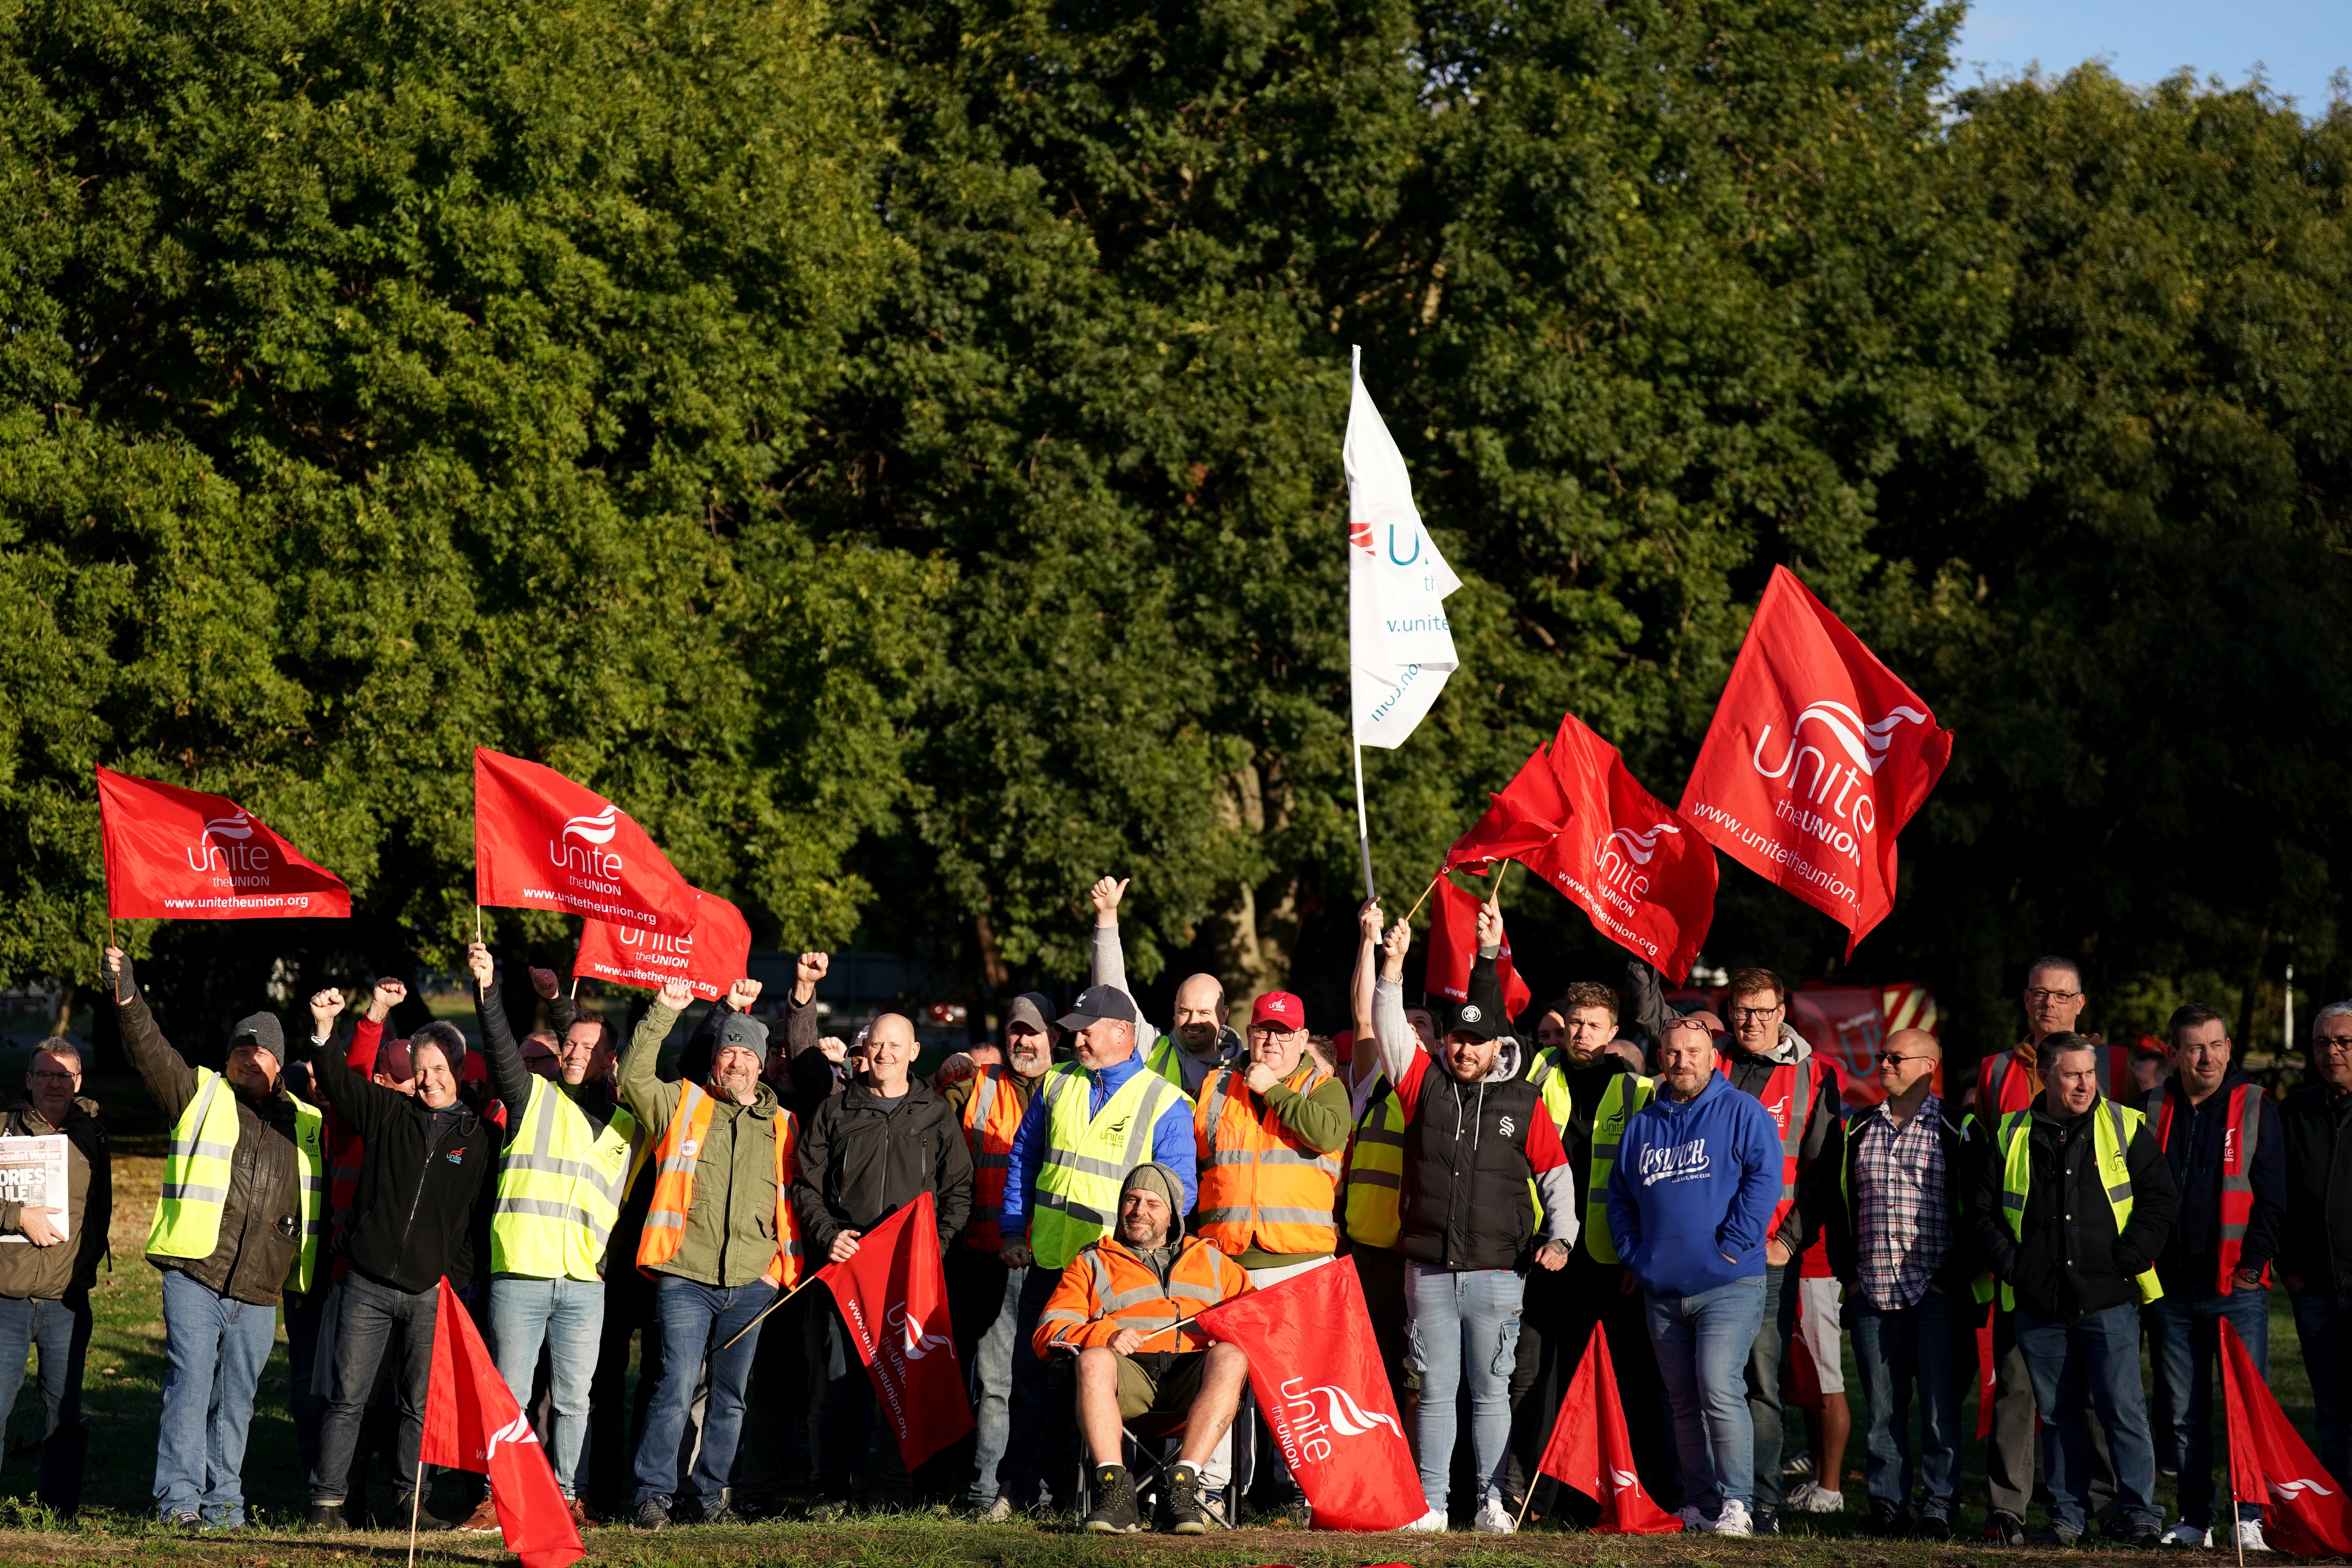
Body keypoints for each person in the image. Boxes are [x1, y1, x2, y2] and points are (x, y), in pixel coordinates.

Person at [1370, 906, 1577, 1535]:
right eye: (1456, 1039)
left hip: (1499, 1272)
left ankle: (1492, 1503)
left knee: (1491, 1393)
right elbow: (1387, 1028)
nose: (1463, 1049)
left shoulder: (1522, 1099)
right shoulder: (1421, 1085)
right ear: (1445, 1042)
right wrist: (1394, 966)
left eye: (1476, 1041)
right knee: (1434, 1391)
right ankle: (1432, 1505)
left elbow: (1557, 1175)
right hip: (1430, 1269)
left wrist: (1562, 1237)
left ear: (1496, 1047)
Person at [107, 946, 325, 1531]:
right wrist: (128, 995)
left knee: (238, 1400)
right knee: (190, 1382)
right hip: (196, 1272)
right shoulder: (198, 1095)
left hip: (260, 1287)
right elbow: (151, 1052)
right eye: (238, 1052)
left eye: (259, 1054)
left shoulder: (307, 1122)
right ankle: (179, 1502)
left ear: (280, 1063)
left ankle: (224, 1504)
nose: (247, 1061)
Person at [459, 944, 640, 1535]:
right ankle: (500, 1496)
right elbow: (502, 1050)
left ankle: (568, 1497)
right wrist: (487, 990)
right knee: (509, 1397)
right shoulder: (531, 1097)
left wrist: (566, 1004)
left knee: (574, 1401)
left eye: (589, 1049)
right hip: (522, 1276)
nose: (573, 1053)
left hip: (585, 1285)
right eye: (569, 1045)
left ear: (609, 1061)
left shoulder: (626, 1127)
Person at [996, 982, 1197, 1512]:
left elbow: (1180, 1193)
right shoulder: (1057, 1082)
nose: (1076, 1041)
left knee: (1099, 1389)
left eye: (1086, 1032)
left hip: (1117, 1278)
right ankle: (1018, 1490)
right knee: (1031, 1381)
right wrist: (1014, 1231)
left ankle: (1084, 1497)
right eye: (1074, 1032)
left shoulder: (1165, 1101)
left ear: (1122, 1033)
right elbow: (1024, 1159)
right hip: (1050, 1261)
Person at [1971, 1032, 2176, 1548]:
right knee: (2058, 1416)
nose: (2087, 1084)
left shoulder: (2127, 1126)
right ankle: (2066, 1518)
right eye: (2073, 1074)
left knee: (2122, 1408)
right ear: (2045, 1076)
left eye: (2091, 1073)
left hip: (2109, 1298)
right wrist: (2016, 1267)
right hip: (2040, 1302)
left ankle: (2141, 1513)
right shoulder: (2012, 1133)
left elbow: (2158, 1201)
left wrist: (2129, 1258)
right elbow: (1981, 1213)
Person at [305, 989, 498, 1532]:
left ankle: (410, 1504)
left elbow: (474, 1220)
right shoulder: (389, 1112)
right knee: (349, 1400)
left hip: (430, 1292)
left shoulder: (480, 1136)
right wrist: (326, 1027)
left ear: (458, 1069)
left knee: (419, 1407)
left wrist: (452, 1280)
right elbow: (339, 1082)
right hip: (366, 1284)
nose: (430, 1079)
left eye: (439, 1068)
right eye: (421, 1070)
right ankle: (326, 1505)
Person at [620, 977, 803, 1530]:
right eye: (730, 1050)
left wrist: (774, 1273)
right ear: (717, 1058)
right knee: (674, 1387)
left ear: (762, 1064)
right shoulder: (682, 1103)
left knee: (730, 1398)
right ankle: (652, 1494)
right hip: (685, 1275)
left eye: (749, 1052)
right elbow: (631, 1077)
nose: (738, 1061)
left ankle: (711, 1496)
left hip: (753, 1282)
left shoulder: (784, 1123)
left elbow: (790, 1203)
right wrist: (663, 1013)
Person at [1972, 955, 2134, 1544]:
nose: (2049, 1004)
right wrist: (2007, 1261)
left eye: (2062, 995)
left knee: (2097, 1389)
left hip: (2097, 1270)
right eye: (2040, 994)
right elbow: (1988, 1176)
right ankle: (2008, 1507)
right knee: (2016, 1388)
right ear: (2025, 1000)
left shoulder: (2114, 1066)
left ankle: (2105, 1502)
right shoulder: (1994, 1072)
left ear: (2081, 1003)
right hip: (2025, 1271)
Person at [1509, 974, 1679, 1521]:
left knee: (1614, 1378)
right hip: (1543, 1253)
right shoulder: (1536, 1074)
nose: (1581, 1033)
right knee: (1534, 1376)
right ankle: (1533, 1494)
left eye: (1593, 1025)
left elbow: (1648, 1180)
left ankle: (1609, 1491)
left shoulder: (1635, 1090)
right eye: (1574, 1023)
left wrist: (1640, 1255)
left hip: (1611, 1262)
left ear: (1612, 1032)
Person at [1608, 1011, 1783, 1539]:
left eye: (1693, 1052)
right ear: (1661, 1058)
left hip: (1729, 1283)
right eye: (1673, 1053)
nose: (1681, 1061)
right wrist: (1637, 1257)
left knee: (1718, 1387)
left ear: (1713, 1058)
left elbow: (1764, 1180)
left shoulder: (1742, 1112)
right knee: (1684, 1399)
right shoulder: (1645, 1121)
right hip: (1661, 1288)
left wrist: (1732, 1248)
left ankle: (1738, 1504)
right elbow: (1620, 1198)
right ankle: (1702, 1504)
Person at [792, 1010, 974, 1511]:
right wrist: (829, 1235)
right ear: (864, 1051)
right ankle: (832, 1491)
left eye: (896, 1045)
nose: (885, 1054)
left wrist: (933, 1248)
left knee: (908, 1381)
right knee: (840, 1387)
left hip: (909, 1276)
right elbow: (807, 1185)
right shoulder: (835, 1110)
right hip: (849, 1270)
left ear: (915, 1052)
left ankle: (902, 1490)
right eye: (876, 1045)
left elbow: (959, 1190)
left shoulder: (935, 1114)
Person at [1193, 985, 1352, 1514]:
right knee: (1222, 1380)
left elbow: (1326, 1134)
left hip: (1301, 1265)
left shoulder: (1324, 1087)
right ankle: (1212, 1491)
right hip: (1228, 1263)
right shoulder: (1217, 1086)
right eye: (1264, 1030)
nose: (1273, 1041)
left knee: (1302, 1387)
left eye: (1285, 1033)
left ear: (1303, 1039)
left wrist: (1272, 1092)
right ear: (1251, 1031)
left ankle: (1301, 1493)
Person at [1700, 965, 1846, 1534]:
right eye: (1742, 1010)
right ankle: (1709, 1495)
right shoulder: (1711, 1062)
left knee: (1762, 1380)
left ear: (1783, 1012)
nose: (1753, 1021)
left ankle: (1762, 1505)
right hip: (1701, 1252)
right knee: (1705, 1381)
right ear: (1729, 1011)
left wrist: (1789, 1241)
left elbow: (1821, 1175)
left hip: (1766, 1257)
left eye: (1764, 1010)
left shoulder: (1817, 1075)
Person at [1036, 1163, 1253, 1535]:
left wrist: (1231, 1335)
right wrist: (1103, 1335)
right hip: (1129, 1378)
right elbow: (1048, 1332)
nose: (1139, 1211)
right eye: (1132, 1200)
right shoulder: (1092, 1261)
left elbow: (1259, 1321)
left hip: (1193, 1380)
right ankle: (1114, 1493)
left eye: (1153, 1204)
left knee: (1232, 1357)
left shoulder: (1214, 1262)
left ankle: (1181, 1489)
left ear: (1172, 1216)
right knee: (1092, 1360)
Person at [2139, 1004, 2284, 1549]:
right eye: (2196, 1047)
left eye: (2217, 1044)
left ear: (2229, 1048)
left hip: (2236, 1287)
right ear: (2174, 1054)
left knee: (2246, 1409)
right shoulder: (2152, 1106)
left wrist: (2252, 1269)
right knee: (2183, 1412)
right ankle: (2195, 1517)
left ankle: (2250, 1516)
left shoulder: (2254, 1105)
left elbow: (2273, 1197)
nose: (2208, 1057)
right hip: (2172, 1290)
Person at [1835, 1028, 1975, 1539]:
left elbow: (1975, 1208)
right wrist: (1850, 1279)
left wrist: (1951, 1279)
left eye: (1896, 1058)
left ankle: (1938, 1508)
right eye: (1882, 1056)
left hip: (1934, 1293)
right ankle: (1887, 1508)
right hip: (1873, 1291)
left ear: (1929, 1067)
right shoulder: (1858, 1127)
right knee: (1882, 1413)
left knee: (1940, 1412)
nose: (1885, 1064)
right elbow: (1838, 1204)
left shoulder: (1956, 1127)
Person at [940, 993, 1055, 1519]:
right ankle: (987, 1490)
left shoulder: (1071, 1088)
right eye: (1016, 1031)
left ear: (1054, 1036)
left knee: (1046, 1381)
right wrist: (948, 1075)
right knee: (993, 1382)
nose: (1023, 1041)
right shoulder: (977, 1084)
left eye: (1033, 1032)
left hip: (1051, 1259)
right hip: (983, 1256)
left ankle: (1038, 1488)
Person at [0, 1040, 110, 1516]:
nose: (53, 1083)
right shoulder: (4, 1129)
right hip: (5, 1298)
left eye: (64, 1076)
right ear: (28, 1079)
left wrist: (83, 1273)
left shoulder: (93, 1136)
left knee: (65, 1414)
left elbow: (101, 1212)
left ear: (78, 1083)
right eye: (44, 1074)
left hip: (66, 1301)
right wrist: (15, 1215)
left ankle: (59, 1511)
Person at [2281, 1001, 2352, 1485]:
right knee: (2330, 1411)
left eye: (2344, 1041)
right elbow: (2274, 1192)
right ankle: (2340, 1519)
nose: (2333, 1052)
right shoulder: (2295, 1111)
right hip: (2316, 1290)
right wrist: (2291, 1270)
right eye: (2323, 1042)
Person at [1088, 877, 1241, 1093]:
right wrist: (1106, 916)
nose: (1193, 1021)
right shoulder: (1151, 1048)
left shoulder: (1245, 1067)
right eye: (1185, 1011)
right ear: (1174, 1011)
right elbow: (1111, 995)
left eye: (1204, 1012)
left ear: (1223, 1015)